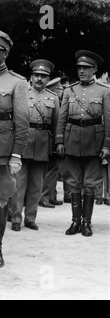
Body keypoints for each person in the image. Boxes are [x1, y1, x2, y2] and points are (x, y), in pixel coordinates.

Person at [0, 30, 29, 268]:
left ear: (6, 53)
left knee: (0, 199)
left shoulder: (17, 82)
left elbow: (22, 122)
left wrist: (16, 155)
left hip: (2, 150)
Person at [56, 50, 110, 237]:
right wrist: (59, 140)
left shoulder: (104, 91)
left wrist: (106, 145)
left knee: (90, 183)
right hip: (71, 141)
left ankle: (86, 223)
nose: (82, 71)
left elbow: (108, 120)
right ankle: (75, 222)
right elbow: (62, 118)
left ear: (95, 69)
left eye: (86, 68)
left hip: (94, 142)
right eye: (79, 68)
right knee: (73, 182)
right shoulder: (70, 90)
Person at [12, 59, 60, 231]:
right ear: (31, 77)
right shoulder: (21, 94)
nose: (39, 79)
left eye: (43, 76)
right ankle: (16, 218)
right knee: (19, 184)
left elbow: (56, 125)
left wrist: (56, 145)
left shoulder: (53, 98)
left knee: (37, 185)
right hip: (23, 142)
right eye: (36, 75)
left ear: (48, 79)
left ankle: (30, 218)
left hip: (42, 144)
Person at [39, 77, 65, 208]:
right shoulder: (52, 100)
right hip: (48, 139)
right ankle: (44, 197)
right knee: (48, 170)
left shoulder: (58, 100)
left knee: (54, 169)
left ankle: (52, 195)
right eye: (59, 88)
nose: (61, 91)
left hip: (55, 138)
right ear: (54, 90)